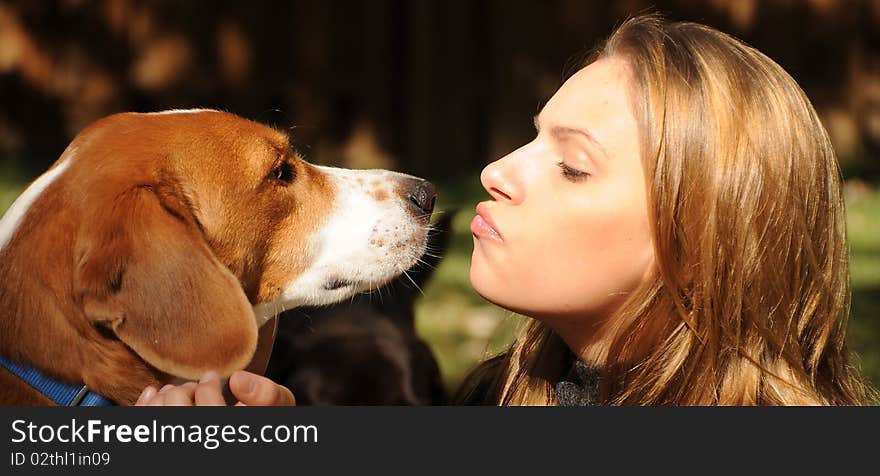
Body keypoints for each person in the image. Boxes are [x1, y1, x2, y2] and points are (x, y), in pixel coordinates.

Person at [137, 14, 875, 406]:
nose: (496, 172)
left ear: (697, 246)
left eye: (571, 167)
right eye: (532, 135)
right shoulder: (497, 396)